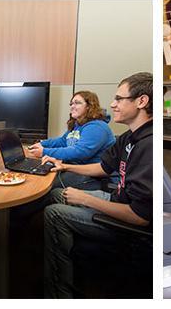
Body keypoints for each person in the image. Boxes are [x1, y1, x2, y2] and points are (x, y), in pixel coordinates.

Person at [41, 72, 153, 298]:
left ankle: (60, 294)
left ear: (142, 101)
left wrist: (86, 199)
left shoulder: (148, 146)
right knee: (57, 194)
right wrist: (64, 166)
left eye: (119, 98)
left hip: (128, 223)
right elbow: (103, 167)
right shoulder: (129, 137)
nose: (112, 104)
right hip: (117, 199)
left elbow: (140, 217)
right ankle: (72, 257)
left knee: (53, 213)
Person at [29, 90, 116, 190]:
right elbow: (63, 141)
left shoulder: (97, 127)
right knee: (39, 175)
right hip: (75, 168)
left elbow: (80, 152)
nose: (72, 106)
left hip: (93, 177)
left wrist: (44, 152)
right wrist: (42, 143)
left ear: (89, 106)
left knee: (43, 185)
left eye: (77, 103)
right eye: (71, 103)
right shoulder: (77, 124)